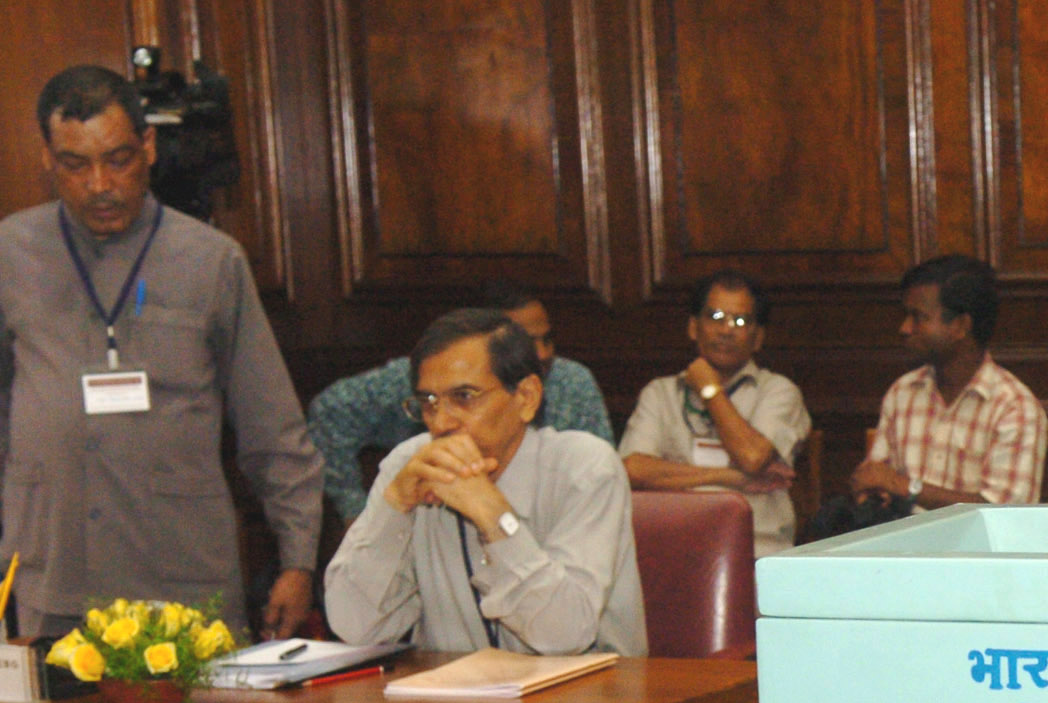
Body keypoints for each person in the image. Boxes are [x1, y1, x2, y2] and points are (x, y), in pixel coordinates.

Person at [0, 65, 322, 639]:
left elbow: (272, 426)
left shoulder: (212, 260)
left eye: (118, 159)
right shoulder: (10, 255)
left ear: (147, 146)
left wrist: (298, 561)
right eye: (75, 164)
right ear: (47, 159)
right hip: (51, 580)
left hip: (181, 584)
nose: (100, 184)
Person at [324, 308, 645, 656]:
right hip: (453, 702)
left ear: (526, 398)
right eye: (428, 403)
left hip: (590, 701)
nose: (442, 422)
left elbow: (564, 637)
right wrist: (394, 509)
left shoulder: (585, 468)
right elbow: (354, 627)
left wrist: (494, 515)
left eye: (464, 397)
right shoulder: (412, 466)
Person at [310, 282, 613, 524]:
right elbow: (330, 411)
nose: (543, 354)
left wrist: (499, 520)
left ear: (527, 397)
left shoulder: (574, 387)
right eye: (428, 402)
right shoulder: (410, 447)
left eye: (546, 339)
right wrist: (354, 509)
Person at [620, 271, 811, 555]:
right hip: (674, 549)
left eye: (741, 321)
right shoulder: (660, 394)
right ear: (693, 327)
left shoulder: (779, 392)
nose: (726, 330)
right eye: (716, 317)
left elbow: (752, 457)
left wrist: (710, 390)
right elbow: (631, 470)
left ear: (758, 338)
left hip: (755, 552)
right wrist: (728, 478)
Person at [847, 255, 1047, 509]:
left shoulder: (1015, 407)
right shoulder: (902, 392)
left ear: (960, 326)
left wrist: (906, 488)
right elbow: (876, 480)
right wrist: (873, 491)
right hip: (902, 547)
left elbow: (1005, 514)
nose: (905, 328)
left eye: (918, 317)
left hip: (976, 549)